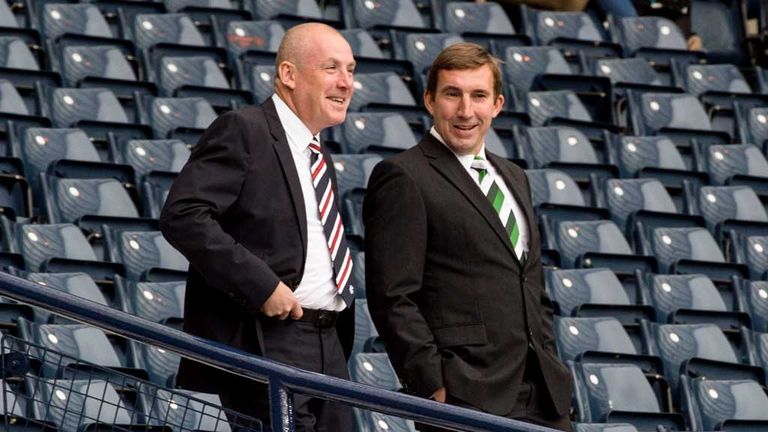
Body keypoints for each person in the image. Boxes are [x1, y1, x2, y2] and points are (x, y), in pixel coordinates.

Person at [364, 43, 573, 431]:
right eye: (452, 94)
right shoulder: (403, 176)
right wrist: (432, 386)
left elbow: (530, 281)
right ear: (429, 100)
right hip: (465, 395)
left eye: (478, 96)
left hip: (542, 392)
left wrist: (549, 357)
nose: (465, 111)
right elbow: (392, 295)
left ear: (497, 104)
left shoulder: (514, 176)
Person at [159, 22, 357, 431]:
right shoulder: (244, 129)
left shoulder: (318, 154)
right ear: (288, 74)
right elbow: (184, 214)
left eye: (351, 70)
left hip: (329, 344)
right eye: (332, 68)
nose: (346, 83)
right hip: (269, 340)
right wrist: (261, 286)